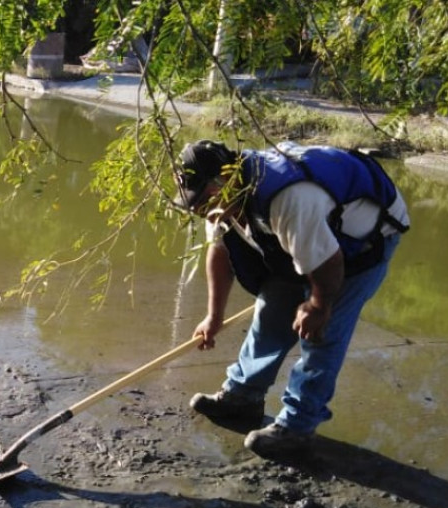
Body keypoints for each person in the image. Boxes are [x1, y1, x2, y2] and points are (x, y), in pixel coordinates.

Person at [174, 139, 410, 454]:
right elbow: (220, 251)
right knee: (270, 312)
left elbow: (330, 263)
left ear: (226, 181)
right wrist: (213, 317)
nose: (203, 211)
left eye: (204, 200)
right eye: (196, 204)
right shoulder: (222, 200)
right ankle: (243, 397)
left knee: (320, 334)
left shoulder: (289, 199)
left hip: (362, 242)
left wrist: (317, 305)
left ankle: (298, 426)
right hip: (315, 239)